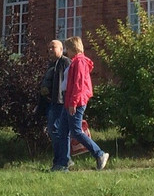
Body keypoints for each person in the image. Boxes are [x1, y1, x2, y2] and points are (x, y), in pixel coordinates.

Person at [63, 36, 110, 170]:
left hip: (76, 102)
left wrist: (73, 103)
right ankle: (63, 161)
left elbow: (78, 85)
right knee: (64, 131)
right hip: (71, 101)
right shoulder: (76, 62)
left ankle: (99, 154)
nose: (67, 52)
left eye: (67, 48)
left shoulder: (79, 62)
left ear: (73, 48)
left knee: (77, 131)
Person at [39, 39, 71, 172]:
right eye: (49, 48)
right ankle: (59, 161)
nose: (50, 50)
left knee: (58, 131)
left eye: (53, 47)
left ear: (61, 49)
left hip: (60, 102)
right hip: (51, 102)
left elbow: (68, 83)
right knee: (54, 131)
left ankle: (63, 161)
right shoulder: (52, 64)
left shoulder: (65, 62)